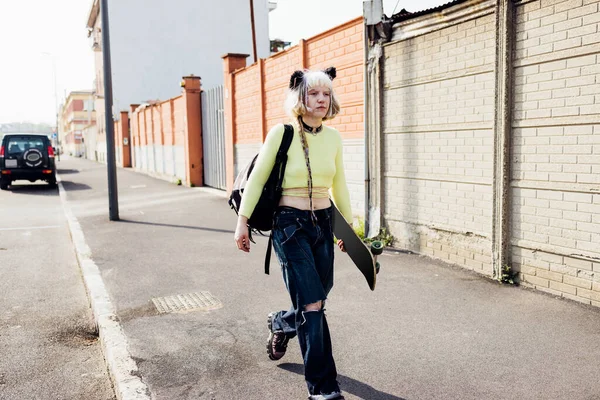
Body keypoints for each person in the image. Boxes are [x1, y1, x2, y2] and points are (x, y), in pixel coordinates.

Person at [234, 67, 353, 400]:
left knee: (318, 294)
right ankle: (323, 389)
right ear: (300, 97)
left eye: (325, 94)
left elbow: (339, 183)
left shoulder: (333, 138)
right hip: (289, 225)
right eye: (313, 93)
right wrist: (242, 220)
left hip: (324, 222)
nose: (320, 99)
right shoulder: (282, 132)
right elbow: (257, 179)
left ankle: (282, 322)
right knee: (313, 305)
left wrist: (348, 227)